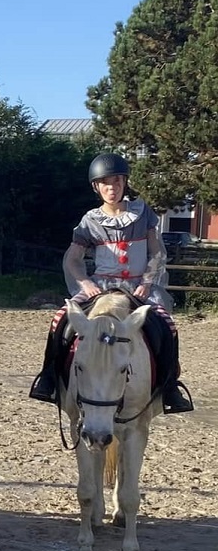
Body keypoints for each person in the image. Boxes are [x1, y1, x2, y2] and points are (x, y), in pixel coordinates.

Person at [28, 152, 193, 412]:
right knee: (60, 317)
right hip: (102, 286)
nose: (111, 188)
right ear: (96, 186)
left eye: (116, 181)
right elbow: (72, 260)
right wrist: (85, 283)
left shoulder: (142, 213)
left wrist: (148, 281)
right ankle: (49, 377)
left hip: (139, 286)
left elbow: (158, 252)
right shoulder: (90, 221)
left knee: (167, 323)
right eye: (105, 183)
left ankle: (170, 386)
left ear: (124, 183)